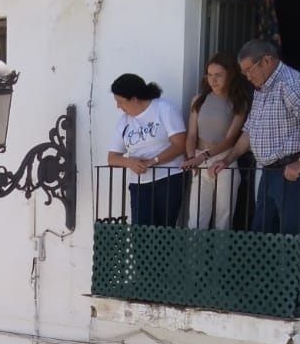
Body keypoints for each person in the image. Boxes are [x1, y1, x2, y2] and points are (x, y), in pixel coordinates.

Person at [212, 39, 300, 234]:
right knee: (263, 233)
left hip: (291, 172)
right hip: (269, 172)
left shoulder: (289, 83)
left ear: (266, 60)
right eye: (244, 72)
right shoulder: (261, 88)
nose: (248, 77)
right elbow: (250, 130)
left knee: (294, 234)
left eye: (249, 70)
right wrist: (227, 160)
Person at [107, 73, 187, 226]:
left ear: (134, 98)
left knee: (164, 230)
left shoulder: (164, 108)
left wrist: (152, 161)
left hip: (168, 178)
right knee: (141, 232)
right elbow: (112, 158)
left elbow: (180, 144)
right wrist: (130, 162)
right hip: (139, 184)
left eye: (120, 102)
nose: (118, 106)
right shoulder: (124, 121)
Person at [182, 53, 251, 230]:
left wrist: (203, 156)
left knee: (223, 217)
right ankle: (195, 249)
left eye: (218, 75)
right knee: (196, 218)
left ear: (230, 75)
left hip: (225, 159)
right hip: (199, 160)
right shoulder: (199, 100)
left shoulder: (239, 103)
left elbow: (230, 139)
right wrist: (191, 158)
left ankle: (220, 250)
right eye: (210, 75)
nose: (213, 80)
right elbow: (192, 134)